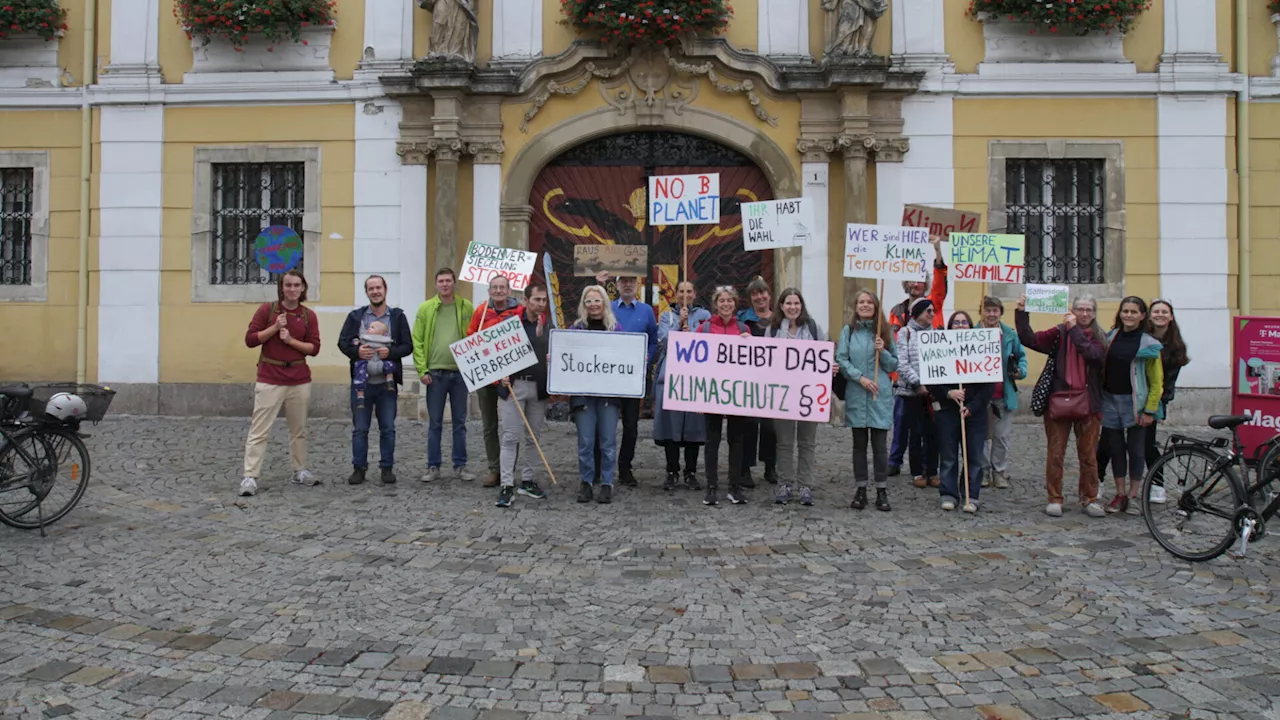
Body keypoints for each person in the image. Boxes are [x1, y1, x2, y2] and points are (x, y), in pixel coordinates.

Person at [1016, 293, 1108, 518]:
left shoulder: (1100, 337)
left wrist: (1074, 329)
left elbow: (1092, 354)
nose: (1084, 313)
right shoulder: (1059, 332)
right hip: (1059, 401)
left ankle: (1089, 498)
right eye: (1080, 309)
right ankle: (1054, 498)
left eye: (1089, 310)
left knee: (1088, 456)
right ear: (1073, 310)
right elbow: (1030, 339)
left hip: (1089, 404)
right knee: (1056, 454)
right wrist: (1021, 312)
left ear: (1094, 313)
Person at [238, 270, 321, 497]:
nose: (292, 289)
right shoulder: (268, 310)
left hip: (298, 378)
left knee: (299, 429)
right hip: (270, 377)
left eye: (296, 285)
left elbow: (314, 348)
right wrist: (274, 328)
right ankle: (250, 476)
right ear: (281, 288)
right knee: (259, 430)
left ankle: (300, 470)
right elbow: (250, 340)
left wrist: (290, 340)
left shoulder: (308, 316)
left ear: (303, 288)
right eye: (288, 285)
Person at [338, 275, 413, 486]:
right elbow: (343, 343)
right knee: (360, 428)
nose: (375, 291)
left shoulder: (397, 317)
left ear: (385, 289)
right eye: (371, 288)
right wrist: (356, 351)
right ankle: (358, 468)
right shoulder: (356, 317)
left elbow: (408, 346)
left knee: (387, 428)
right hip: (362, 384)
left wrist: (390, 352)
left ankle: (386, 467)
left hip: (386, 386)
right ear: (367, 292)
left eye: (378, 287)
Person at [887, 245, 949, 476]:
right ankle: (895, 461)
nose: (916, 285)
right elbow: (894, 341)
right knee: (902, 422)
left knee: (930, 426)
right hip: (904, 377)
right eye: (911, 281)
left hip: (932, 378)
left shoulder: (933, 304)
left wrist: (938, 253)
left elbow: (941, 283)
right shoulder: (897, 310)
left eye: (920, 281)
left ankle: (928, 467)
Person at [1100, 297, 1163, 515]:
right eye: (1125, 311)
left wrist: (1150, 410)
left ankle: (1134, 495)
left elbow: (1156, 382)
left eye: (1134, 312)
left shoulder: (1148, 343)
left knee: (1136, 451)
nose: (1128, 315)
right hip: (1109, 400)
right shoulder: (1111, 337)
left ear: (1142, 316)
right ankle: (1119, 493)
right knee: (1115, 449)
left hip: (1135, 402)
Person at [412, 268, 476, 483]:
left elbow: (474, 336)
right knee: (435, 423)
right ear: (436, 284)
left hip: (460, 373)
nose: (445, 284)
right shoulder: (426, 308)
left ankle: (460, 465)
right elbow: (417, 340)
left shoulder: (466, 307)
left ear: (454, 283)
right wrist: (422, 369)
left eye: (448, 280)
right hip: (435, 374)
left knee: (460, 422)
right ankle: (433, 466)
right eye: (441, 281)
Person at [836, 289, 898, 512]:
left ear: (875, 306)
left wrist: (884, 350)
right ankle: (861, 488)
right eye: (861, 302)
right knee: (859, 445)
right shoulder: (849, 331)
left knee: (880, 446)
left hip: (879, 396)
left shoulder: (884, 331)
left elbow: (893, 365)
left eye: (868, 302)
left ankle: (881, 490)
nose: (864, 305)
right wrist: (859, 379)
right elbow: (842, 359)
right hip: (857, 393)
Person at [930, 311, 996, 513]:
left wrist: (973, 406)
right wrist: (949, 393)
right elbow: (932, 380)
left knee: (974, 456)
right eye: (956, 322)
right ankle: (948, 494)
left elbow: (988, 385)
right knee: (949, 456)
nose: (960, 325)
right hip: (948, 412)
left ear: (970, 326)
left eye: (964, 322)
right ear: (950, 326)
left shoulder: (982, 347)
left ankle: (971, 495)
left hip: (974, 413)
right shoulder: (939, 347)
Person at [765, 288, 826, 506]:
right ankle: (785, 483)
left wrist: (831, 366)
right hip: (782, 394)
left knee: (807, 442)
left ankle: (805, 485)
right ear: (781, 306)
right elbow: (764, 360)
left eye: (796, 303)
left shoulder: (813, 328)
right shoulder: (772, 331)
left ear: (802, 306)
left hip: (809, 394)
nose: (793, 307)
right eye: (788, 303)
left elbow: (824, 356)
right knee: (784, 442)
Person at [495, 283, 552, 508]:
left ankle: (527, 481)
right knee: (510, 437)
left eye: (543, 300)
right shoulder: (511, 324)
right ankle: (506, 485)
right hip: (514, 387)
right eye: (536, 299)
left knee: (533, 437)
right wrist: (501, 375)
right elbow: (496, 353)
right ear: (526, 300)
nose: (540, 304)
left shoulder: (548, 326)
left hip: (538, 388)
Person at [652, 280, 710, 492]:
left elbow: (710, 343)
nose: (685, 295)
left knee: (694, 425)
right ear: (675, 294)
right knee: (671, 425)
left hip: (695, 377)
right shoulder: (667, 316)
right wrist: (679, 325)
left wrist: (691, 331)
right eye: (681, 291)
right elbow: (664, 343)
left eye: (689, 291)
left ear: (695, 294)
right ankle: (672, 470)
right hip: (671, 376)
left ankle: (691, 471)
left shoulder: (704, 317)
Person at [468, 275, 525, 487]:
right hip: (486, 377)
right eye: (495, 287)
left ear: (509, 290)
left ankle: (508, 468)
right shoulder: (481, 312)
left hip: (510, 377)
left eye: (502, 287)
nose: (499, 291)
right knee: (489, 425)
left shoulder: (519, 312)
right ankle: (494, 468)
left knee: (511, 427)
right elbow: (470, 336)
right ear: (489, 290)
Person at [569, 285, 624, 504]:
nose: (593, 305)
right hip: (583, 394)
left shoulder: (615, 329)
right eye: (589, 301)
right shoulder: (575, 329)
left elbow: (624, 356)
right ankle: (586, 482)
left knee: (608, 441)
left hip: (608, 394)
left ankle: (607, 482)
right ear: (584, 304)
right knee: (585, 441)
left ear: (604, 303)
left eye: (597, 300)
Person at [700, 285, 753, 506]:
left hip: (736, 392)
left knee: (736, 440)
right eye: (721, 300)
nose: (725, 304)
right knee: (712, 440)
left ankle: (735, 485)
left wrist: (747, 344)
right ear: (715, 304)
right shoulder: (704, 328)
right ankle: (711, 485)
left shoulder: (743, 329)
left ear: (735, 303)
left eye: (729, 300)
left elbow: (753, 361)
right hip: (712, 391)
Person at [605, 273, 658, 488]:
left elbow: (653, 341)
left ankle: (625, 468)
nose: (627, 285)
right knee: (606, 424)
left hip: (633, 379)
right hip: (608, 377)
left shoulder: (646, 311)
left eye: (631, 281)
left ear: (637, 284)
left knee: (631, 426)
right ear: (616, 285)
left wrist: (646, 360)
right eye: (623, 281)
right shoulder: (607, 308)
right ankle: (603, 466)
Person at [1144, 298, 1190, 503]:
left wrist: (1158, 405)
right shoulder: (1141, 338)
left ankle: (1157, 485)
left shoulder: (1176, 346)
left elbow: (1169, 382)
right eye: (1156, 311)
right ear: (1149, 315)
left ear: (1171, 317)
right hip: (1133, 396)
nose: (1160, 315)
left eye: (1164, 312)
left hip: (1155, 400)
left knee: (1147, 444)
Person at [979, 296, 1027, 490]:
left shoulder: (1009, 334)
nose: (991, 314)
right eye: (987, 310)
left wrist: (1020, 371)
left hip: (1003, 394)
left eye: (995, 310)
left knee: (1001, 436)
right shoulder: (971, 333)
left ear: (1000, 312)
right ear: (981, 312)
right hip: (980, 396)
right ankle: (982, 472)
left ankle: (999, 472)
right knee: (980, 437)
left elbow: (1021, 357)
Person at [895, 298, 939, 489]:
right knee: (916, 433)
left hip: (933, 393)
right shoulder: (905, 333)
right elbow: (902, 363)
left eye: (932, 311)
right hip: (912, 393)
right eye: (927, 311)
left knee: (933, 433)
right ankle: (917, 472)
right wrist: (918, 383)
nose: (931, 314)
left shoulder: (937, 334)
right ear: (917, 313)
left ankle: (933, 470)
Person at [738, 277, 777, 488]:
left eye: (763, 292)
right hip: (749, 381)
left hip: (774, 381)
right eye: (755, 294)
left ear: (769, 295)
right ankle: (745, 468)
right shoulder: (743, 319)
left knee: (771, 427)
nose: (759, 297)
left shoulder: (779, 320)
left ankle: (771, 466)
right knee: (749, 426)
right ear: (750, 298)